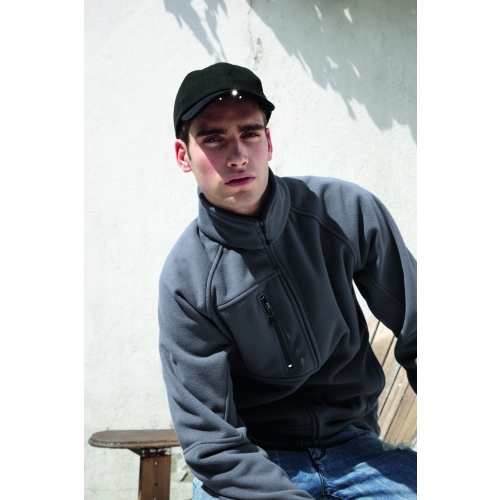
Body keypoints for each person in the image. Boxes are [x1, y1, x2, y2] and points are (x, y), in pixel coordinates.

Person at [158, 62, 417, 500]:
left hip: (359, 451)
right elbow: (212, 442)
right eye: (213, 138)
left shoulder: (345, 211)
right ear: (183, 155)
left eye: (250, 133)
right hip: (254, 466)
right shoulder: (186, 280)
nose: (238, 155)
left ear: (269, 142)